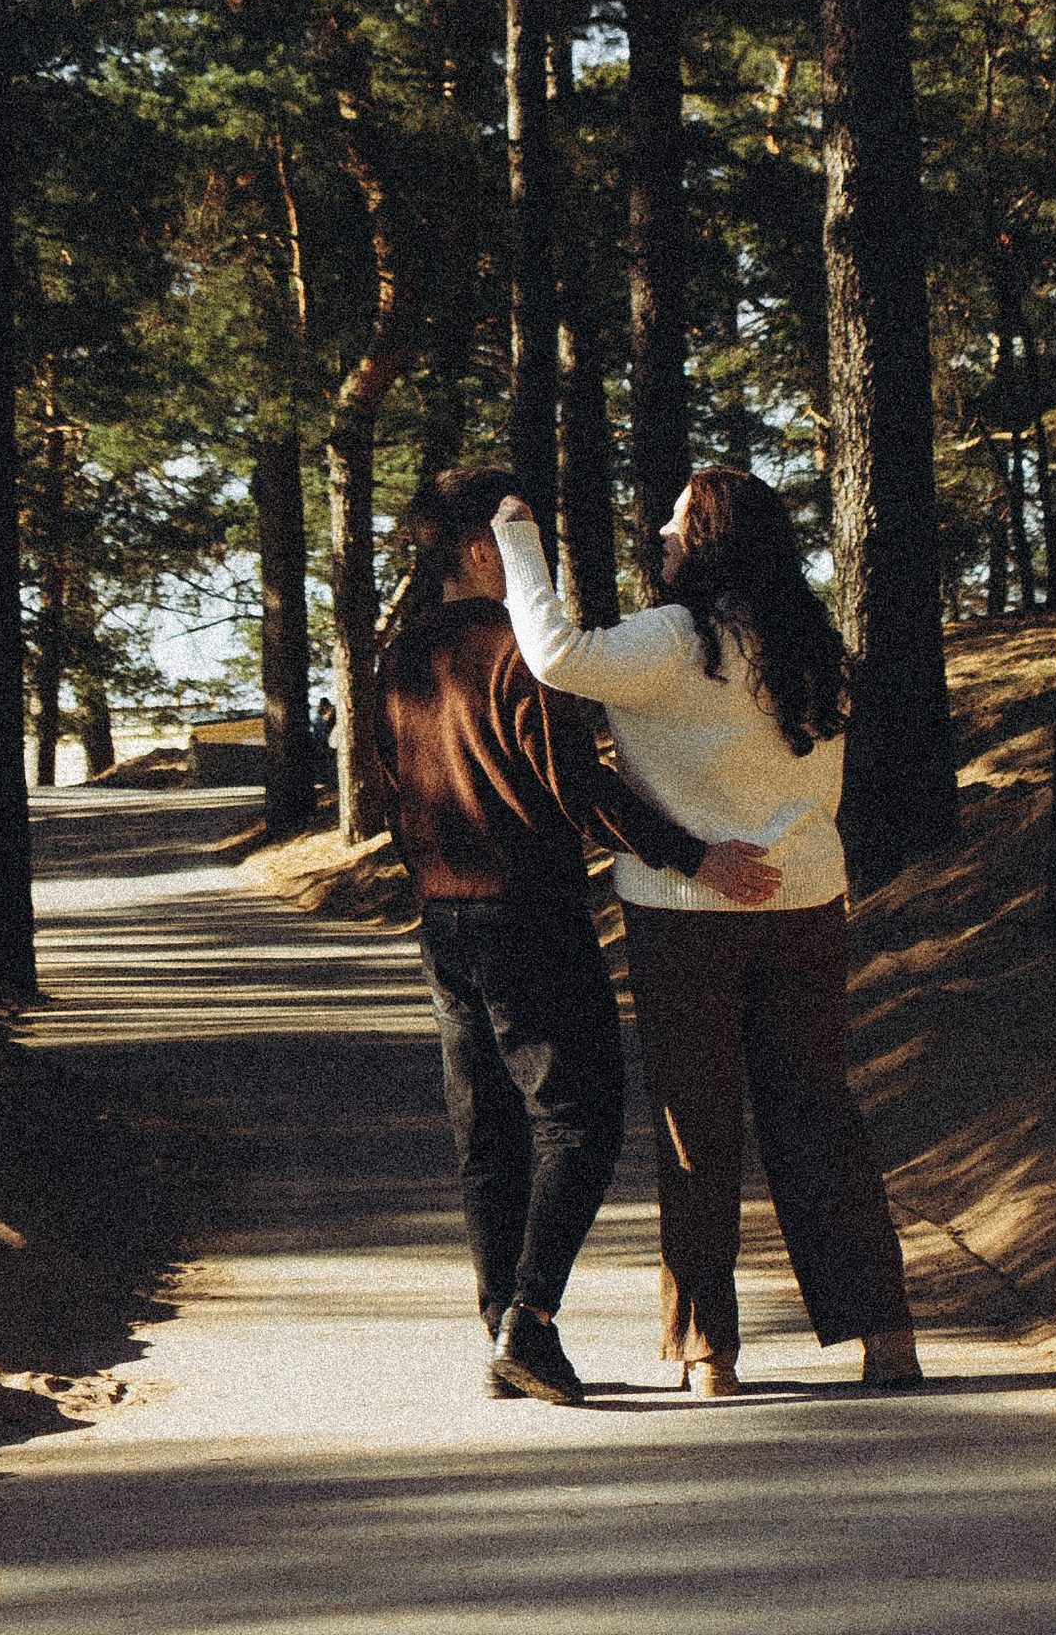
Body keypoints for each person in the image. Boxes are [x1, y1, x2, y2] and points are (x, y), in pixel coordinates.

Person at [493, 469, 923, 1399]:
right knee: (818, 1115)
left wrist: (519, 543)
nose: (660, 527)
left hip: (689, 919)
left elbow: (554, 654)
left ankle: (708, 1352)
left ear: (714, 537)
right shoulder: (811, 644)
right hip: (809, 903)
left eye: (680, 516)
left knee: (698, 1128)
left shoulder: (675, 640)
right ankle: (886, 1335)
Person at [374, 464, 780, 1410]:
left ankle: (502, 1333)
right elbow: (578, 785)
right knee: (583, 1119)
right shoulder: (516, 646)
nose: (539, 560)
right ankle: (530, 1323)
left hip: (444, 919)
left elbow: (393, 793)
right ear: (484, 552)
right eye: (522, 539)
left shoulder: (398, 657)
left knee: (489, 1127)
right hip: (528, 911)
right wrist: (693, 856)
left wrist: (429, 881)